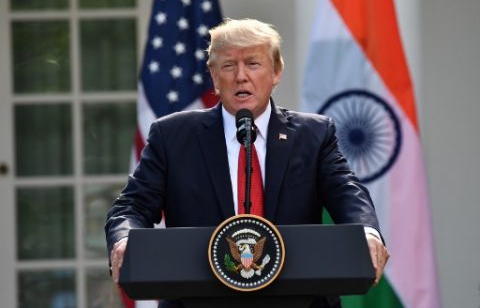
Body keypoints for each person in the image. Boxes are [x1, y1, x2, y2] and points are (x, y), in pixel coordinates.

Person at [105, 18, 389, 308]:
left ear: (276, 71)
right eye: (228, 66)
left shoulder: (313, 135)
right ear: (214, 78)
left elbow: (347, 192)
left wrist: (365, 231)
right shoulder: (173, 136)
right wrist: (125, 239)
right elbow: (133, 205)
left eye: (253, 64)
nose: (241, 76)